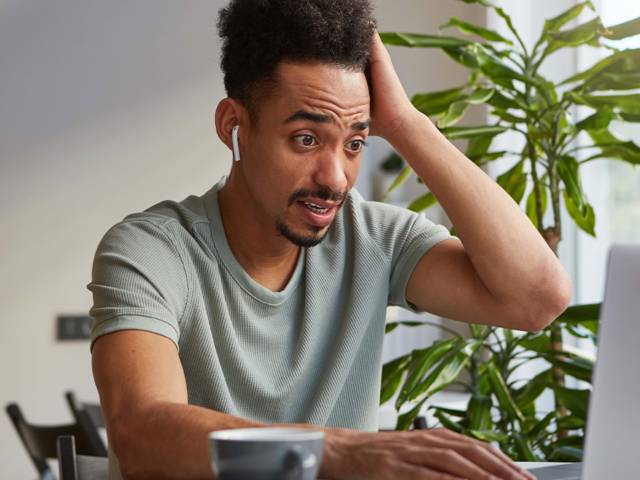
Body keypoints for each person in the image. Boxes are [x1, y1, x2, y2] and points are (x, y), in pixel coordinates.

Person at [89, 0, 571, 478]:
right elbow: (141, 433)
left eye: (355, 143)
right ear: (234, 126)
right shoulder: (150, 250)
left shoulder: (376, 240)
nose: (337, 178)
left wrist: (405, 123)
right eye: (306, 138)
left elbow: (537, 298)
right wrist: (342, 453)